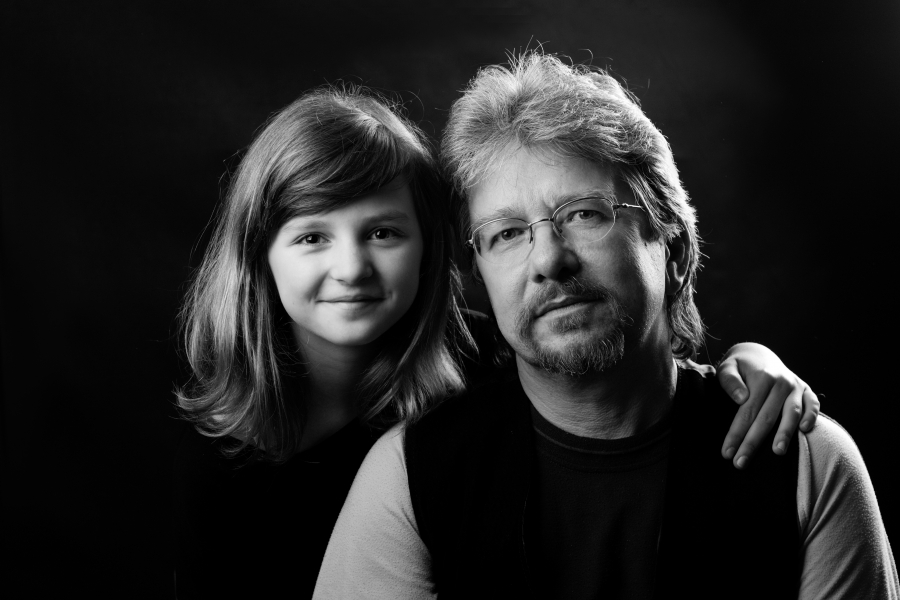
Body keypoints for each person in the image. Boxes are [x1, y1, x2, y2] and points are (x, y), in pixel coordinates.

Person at [171, 86, 819, 599]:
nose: (351, 269)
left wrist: (745, 366)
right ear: (260, 255)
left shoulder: (488, 356)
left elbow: (621, 367)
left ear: (434, 248)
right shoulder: (219, 468)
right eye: (312, 237)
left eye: (383, 233)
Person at [314, 53, 899, 599]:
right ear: (479, 274)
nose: (549, 260)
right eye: (508, 233)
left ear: (673, 252)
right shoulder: (410, 476)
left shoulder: (806, 464)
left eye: (583, 214)